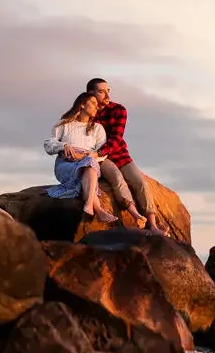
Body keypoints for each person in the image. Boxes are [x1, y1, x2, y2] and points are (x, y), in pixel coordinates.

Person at [43, 92, 144, 224]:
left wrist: (83, 156)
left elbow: (102, 154)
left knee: (90, 164)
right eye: (94, 104)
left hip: (89, 163)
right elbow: (48, 144)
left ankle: (89, 205)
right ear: (83, 104)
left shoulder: (97, 128)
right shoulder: (64, 125)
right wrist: (63, 146)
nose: (97, 107)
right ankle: (98, 209)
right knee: (88, 167)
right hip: (66, 164)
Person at [86, 77, 168, 235]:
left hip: (118, 153)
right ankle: (135, 215)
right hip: (101, 159)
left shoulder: (118, 110)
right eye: (102, 92)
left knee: (140, 182)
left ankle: (152, 225)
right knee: (117, 179)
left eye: (108, 91)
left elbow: (116, 138)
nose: (107, 95)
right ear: (91, 93)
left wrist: (100, 152)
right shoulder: (87, 112)